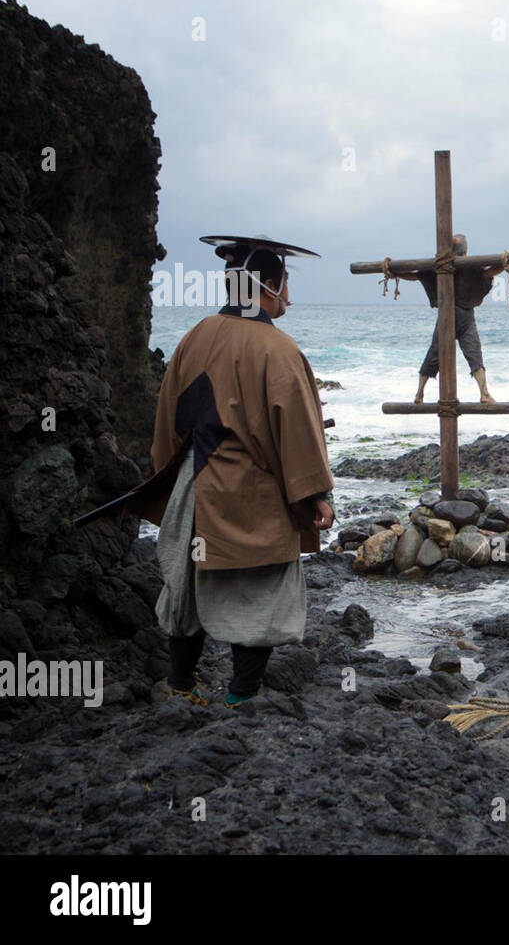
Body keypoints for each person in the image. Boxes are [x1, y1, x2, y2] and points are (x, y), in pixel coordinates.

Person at [140, 235, 335, 708]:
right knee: (262, 592)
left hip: (194, 488)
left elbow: (166, 421)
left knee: (187, 589)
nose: (289, 294)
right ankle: (240, 698)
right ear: (268, 285)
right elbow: (298, 433)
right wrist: (315, 496)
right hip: (253, 495)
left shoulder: (193, 337)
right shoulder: (278, 349)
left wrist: (175, 481)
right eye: (284, 283)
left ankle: (181, 687)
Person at [395, 234, 503, 404]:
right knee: (474, 355)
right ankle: (484, 394)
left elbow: (415, 275)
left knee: (433, 354)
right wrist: (505, 263)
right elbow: (490, 271)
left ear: (449, 250)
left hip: (446, 316)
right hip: (465, 318)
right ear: (466, 251)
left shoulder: (437, 266)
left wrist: (395, 273)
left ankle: (419, 394)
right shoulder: (470, 267)